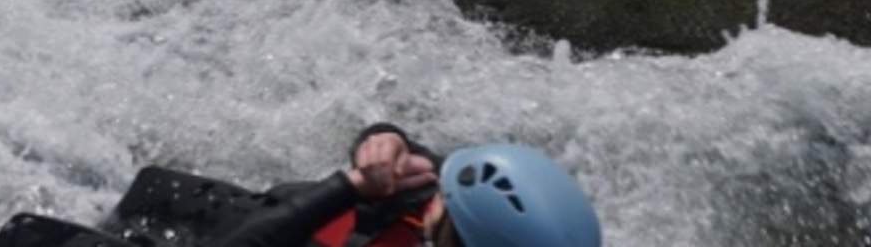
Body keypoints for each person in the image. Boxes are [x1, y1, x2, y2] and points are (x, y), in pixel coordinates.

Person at [213, 123, 602, 247]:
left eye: (445, 200)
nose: (437, 196)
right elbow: (395, 143)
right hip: (271, 215)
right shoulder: (440, 193)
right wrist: (385, 141)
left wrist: (347, 186)